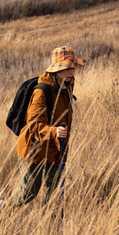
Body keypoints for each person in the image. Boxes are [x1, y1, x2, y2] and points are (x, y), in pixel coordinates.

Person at [7, 46, 84, 206]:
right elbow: (34, 126)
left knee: (55, 196)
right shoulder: (41, 93)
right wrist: (55, 132)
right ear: (56, 69)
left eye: (73, 67)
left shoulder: (67, 84)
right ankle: (6, 208)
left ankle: (51, 226)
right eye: (67, 67)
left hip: (56, 150)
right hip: (34, 151)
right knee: (29, 192)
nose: (72, 71)